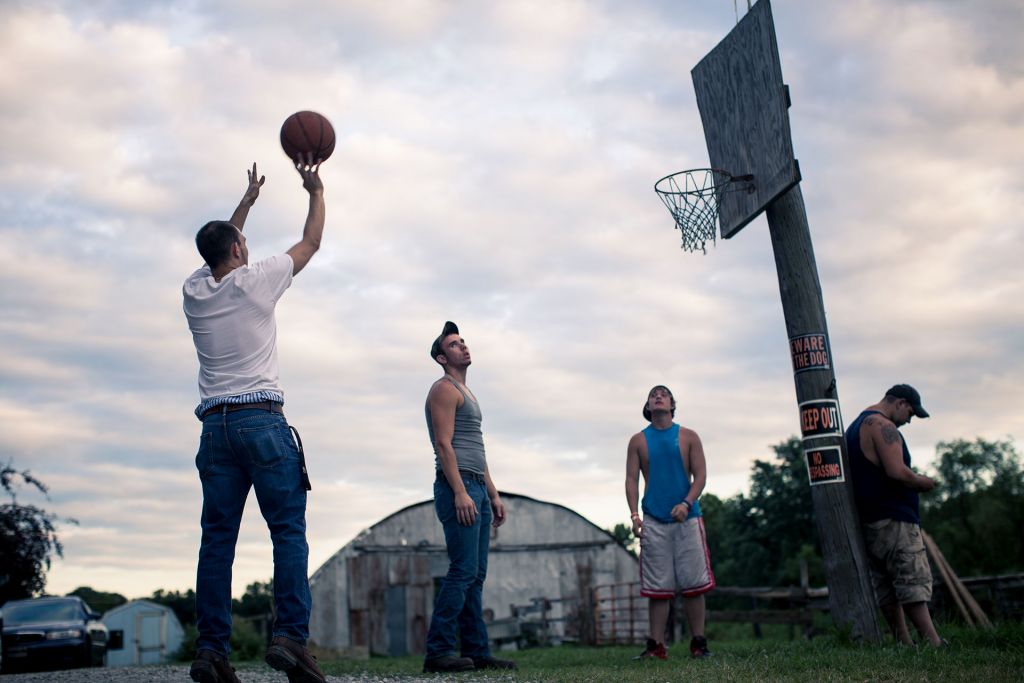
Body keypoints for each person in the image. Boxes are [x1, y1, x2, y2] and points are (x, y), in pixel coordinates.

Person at [183, 159, 327, 683]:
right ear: (240, 252)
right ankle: (290, 637)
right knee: (288, 533)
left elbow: (221, 243)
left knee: (216, 541)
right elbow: (310, 242)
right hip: (260, 423)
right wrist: (315, 188)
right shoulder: (256, 281)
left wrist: (244, 204)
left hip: (214, 430)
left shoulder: (194, 291)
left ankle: (211, 652)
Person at [422, 321, 517, 673]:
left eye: (463, 341)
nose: (463, 346)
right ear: (440, 357)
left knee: (475, 575)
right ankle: (438, 652)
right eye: (454, 344)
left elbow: (477, 451)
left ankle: (477, 651)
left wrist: (493, 494)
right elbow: (444, 445)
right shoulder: (444, 389)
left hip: (476, 484)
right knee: (461, 572)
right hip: (457, 486)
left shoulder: (468, 393)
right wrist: (460, 491)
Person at [846, 384, 944, 647]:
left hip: (870, 519)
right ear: (900, 402)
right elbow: (897, 472)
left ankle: (903, 641)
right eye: (910, 413)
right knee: (911, 578)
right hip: (895, 519)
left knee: (886, 584)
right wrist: (924, 482)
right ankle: (933, 642)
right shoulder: (882, 425)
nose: (909, 420)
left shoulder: (855, 427)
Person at [625, 385, 714, 660]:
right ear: (648, 406)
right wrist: (634, 516)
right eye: (653, 395)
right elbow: (631, 480)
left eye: (663, 393)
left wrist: (686, 503)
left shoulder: (688, 436)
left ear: (672, 404)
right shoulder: (638, 441)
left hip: (688, 519)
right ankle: (656, 646)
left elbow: (700, 476)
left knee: (693, 584)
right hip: (653, 519)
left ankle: (698, 643)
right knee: (658, 589)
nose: (658, 396)